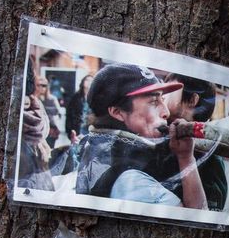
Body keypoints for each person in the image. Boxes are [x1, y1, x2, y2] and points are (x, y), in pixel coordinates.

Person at [74, 63, 212, 209]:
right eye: (153, 102)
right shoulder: (131, 181)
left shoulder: (95, 148)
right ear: (117, 112)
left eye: (162, 100)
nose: (166, 112)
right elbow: (196, 220)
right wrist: (186, 158)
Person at [162, 73, 228, 211]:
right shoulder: (162, 135)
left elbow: (209, 212)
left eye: (169, 90)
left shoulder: (210, 156)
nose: (161, 95)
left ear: (192, 100)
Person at [36, 75, 62, 148]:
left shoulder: (52, 99)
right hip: (36, 130)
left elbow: (57, 111)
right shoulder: (33, 98)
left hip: (51, 129)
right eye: (39, 85)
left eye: (44, 85)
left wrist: (44, 109)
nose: (41, 88)